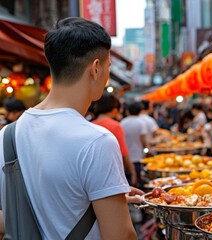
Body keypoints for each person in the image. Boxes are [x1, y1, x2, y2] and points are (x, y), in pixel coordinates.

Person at [0, 17, 139, 239]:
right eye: (108, 67)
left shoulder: (6, 136)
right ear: (96, 68)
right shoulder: (98, 141)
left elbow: (9, 216)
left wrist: (105, 196)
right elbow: (120, 235)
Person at [92, 91, 137, 186]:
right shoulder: (116, 126)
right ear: (114, 108)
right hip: (114, 172)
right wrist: (132, 171)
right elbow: (124, 152)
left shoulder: (90, 125)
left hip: (95, 173)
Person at [121, 101, 149, 190]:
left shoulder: (123, 122)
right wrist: (147, 149)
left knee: (127, 180)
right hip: (137, 156)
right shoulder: (140, 123)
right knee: (138, 179)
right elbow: (143, 140)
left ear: (128, 111)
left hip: (125, 157)